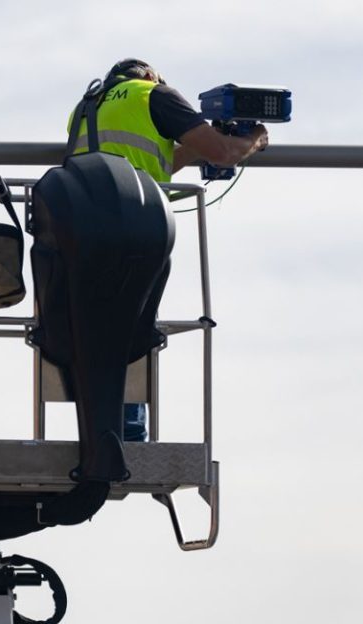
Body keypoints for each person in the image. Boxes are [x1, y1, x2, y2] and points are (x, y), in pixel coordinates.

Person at [67, 58, 269, 440]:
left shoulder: (86, 108)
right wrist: (254, 139)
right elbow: (225, 154)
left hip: (82, 226)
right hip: (136, 227)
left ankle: (100, 429)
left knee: (93, 327)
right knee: (134, 324)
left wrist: (193, 146)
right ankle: (126, 432)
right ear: (148, 74)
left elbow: (143, 163)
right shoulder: (153, 94)